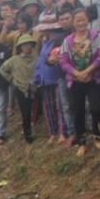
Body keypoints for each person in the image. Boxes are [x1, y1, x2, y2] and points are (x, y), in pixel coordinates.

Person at [59, 8, 100, 155]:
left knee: (95, 108)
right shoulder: (67, 41)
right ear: (73, 23)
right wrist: (77, 73)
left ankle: (98, 137)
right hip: (76, 81)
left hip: (93, 78)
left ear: (88, 20)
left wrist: (87, 71)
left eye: (83, 19)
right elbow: (63, 60)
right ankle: (82, 142)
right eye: (78, 20)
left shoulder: (96, 36)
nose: (81, 22)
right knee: (78, 111)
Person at [33, 16, 70, 144]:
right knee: (49, 106)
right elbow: (40, 61)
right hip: (45, 79)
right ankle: (53, 132)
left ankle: (62, 132)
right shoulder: (44, 42)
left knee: (60, 106)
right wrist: (37, 77)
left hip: (56, 77)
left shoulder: (58, 40)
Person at [0, 35, 39, 143]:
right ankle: (28, 135)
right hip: (21, 89)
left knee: (37, 110)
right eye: (24, 45)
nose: (27, 47)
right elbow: (2, 69)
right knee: (25, 112)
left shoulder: (36, 58)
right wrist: (12, 80)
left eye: (29, 44)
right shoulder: (14, 60)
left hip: (35, 87)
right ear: (20, 47)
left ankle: (37, 128)